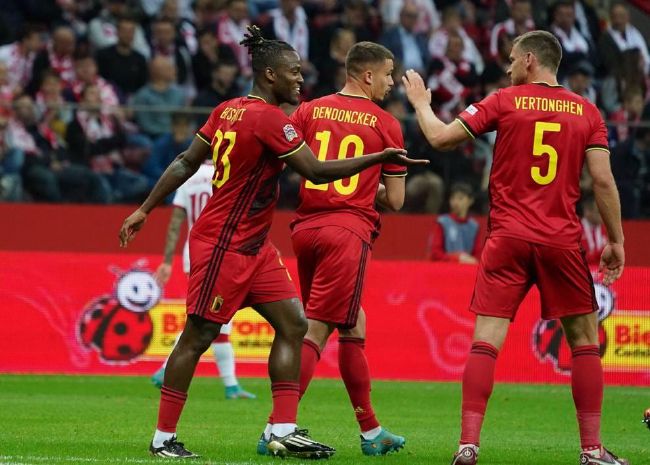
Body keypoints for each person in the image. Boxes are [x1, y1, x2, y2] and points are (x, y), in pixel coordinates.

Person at [119, 25, 424, 460]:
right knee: (198, 335)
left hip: (257, 246)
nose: (300, 79)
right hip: (223, 242)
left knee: (295, 324)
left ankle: (282, 430)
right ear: (269, 76)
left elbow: (187, 160)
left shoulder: (227, 110)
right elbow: (316, 172)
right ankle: (163, 438)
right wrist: (379, 157)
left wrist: (146, 207)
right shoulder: (268, 119)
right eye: (294, 73)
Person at [402, 30, 626, 465]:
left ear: (528, 60)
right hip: (561, 239)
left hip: (507, 238)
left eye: (509, 59)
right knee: (582, 340)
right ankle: (592, 450)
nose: (506, 67)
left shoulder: (504, 100)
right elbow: (601, 181)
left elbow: (441, 138)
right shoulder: (588, 112)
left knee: (485, 341)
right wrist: (616, 239)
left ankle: (468, 446)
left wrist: (421, 105)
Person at [259, 41, 408, 458]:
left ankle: (371, 431)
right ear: (367, 75)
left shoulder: (309, 110)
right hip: (347, 232)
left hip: (306, 229)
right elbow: (395, 201)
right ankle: (277, 427)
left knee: (352, 323)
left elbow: (293, 162)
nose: (391, 82)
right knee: (318, 328)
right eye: (388, 73)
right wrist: (368, 186)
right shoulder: (387, 125)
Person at [150, 159, 256, 400]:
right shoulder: (228, 173)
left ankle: (231, 387)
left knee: (212, 319)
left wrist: (167, 260)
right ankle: (165, 369)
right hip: (221, 251)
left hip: (193, 251)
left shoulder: (188, 177)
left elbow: (176, 223)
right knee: (209, 318)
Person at [428, 182, 481, 263]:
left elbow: (478, 255)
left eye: (460, 198)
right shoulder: (442, 222)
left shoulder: (474, 226)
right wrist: (457, 258)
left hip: (468, 269)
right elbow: (435, 253)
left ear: (470, 201)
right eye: (453, 198)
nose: (455, 202)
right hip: (445, 269)